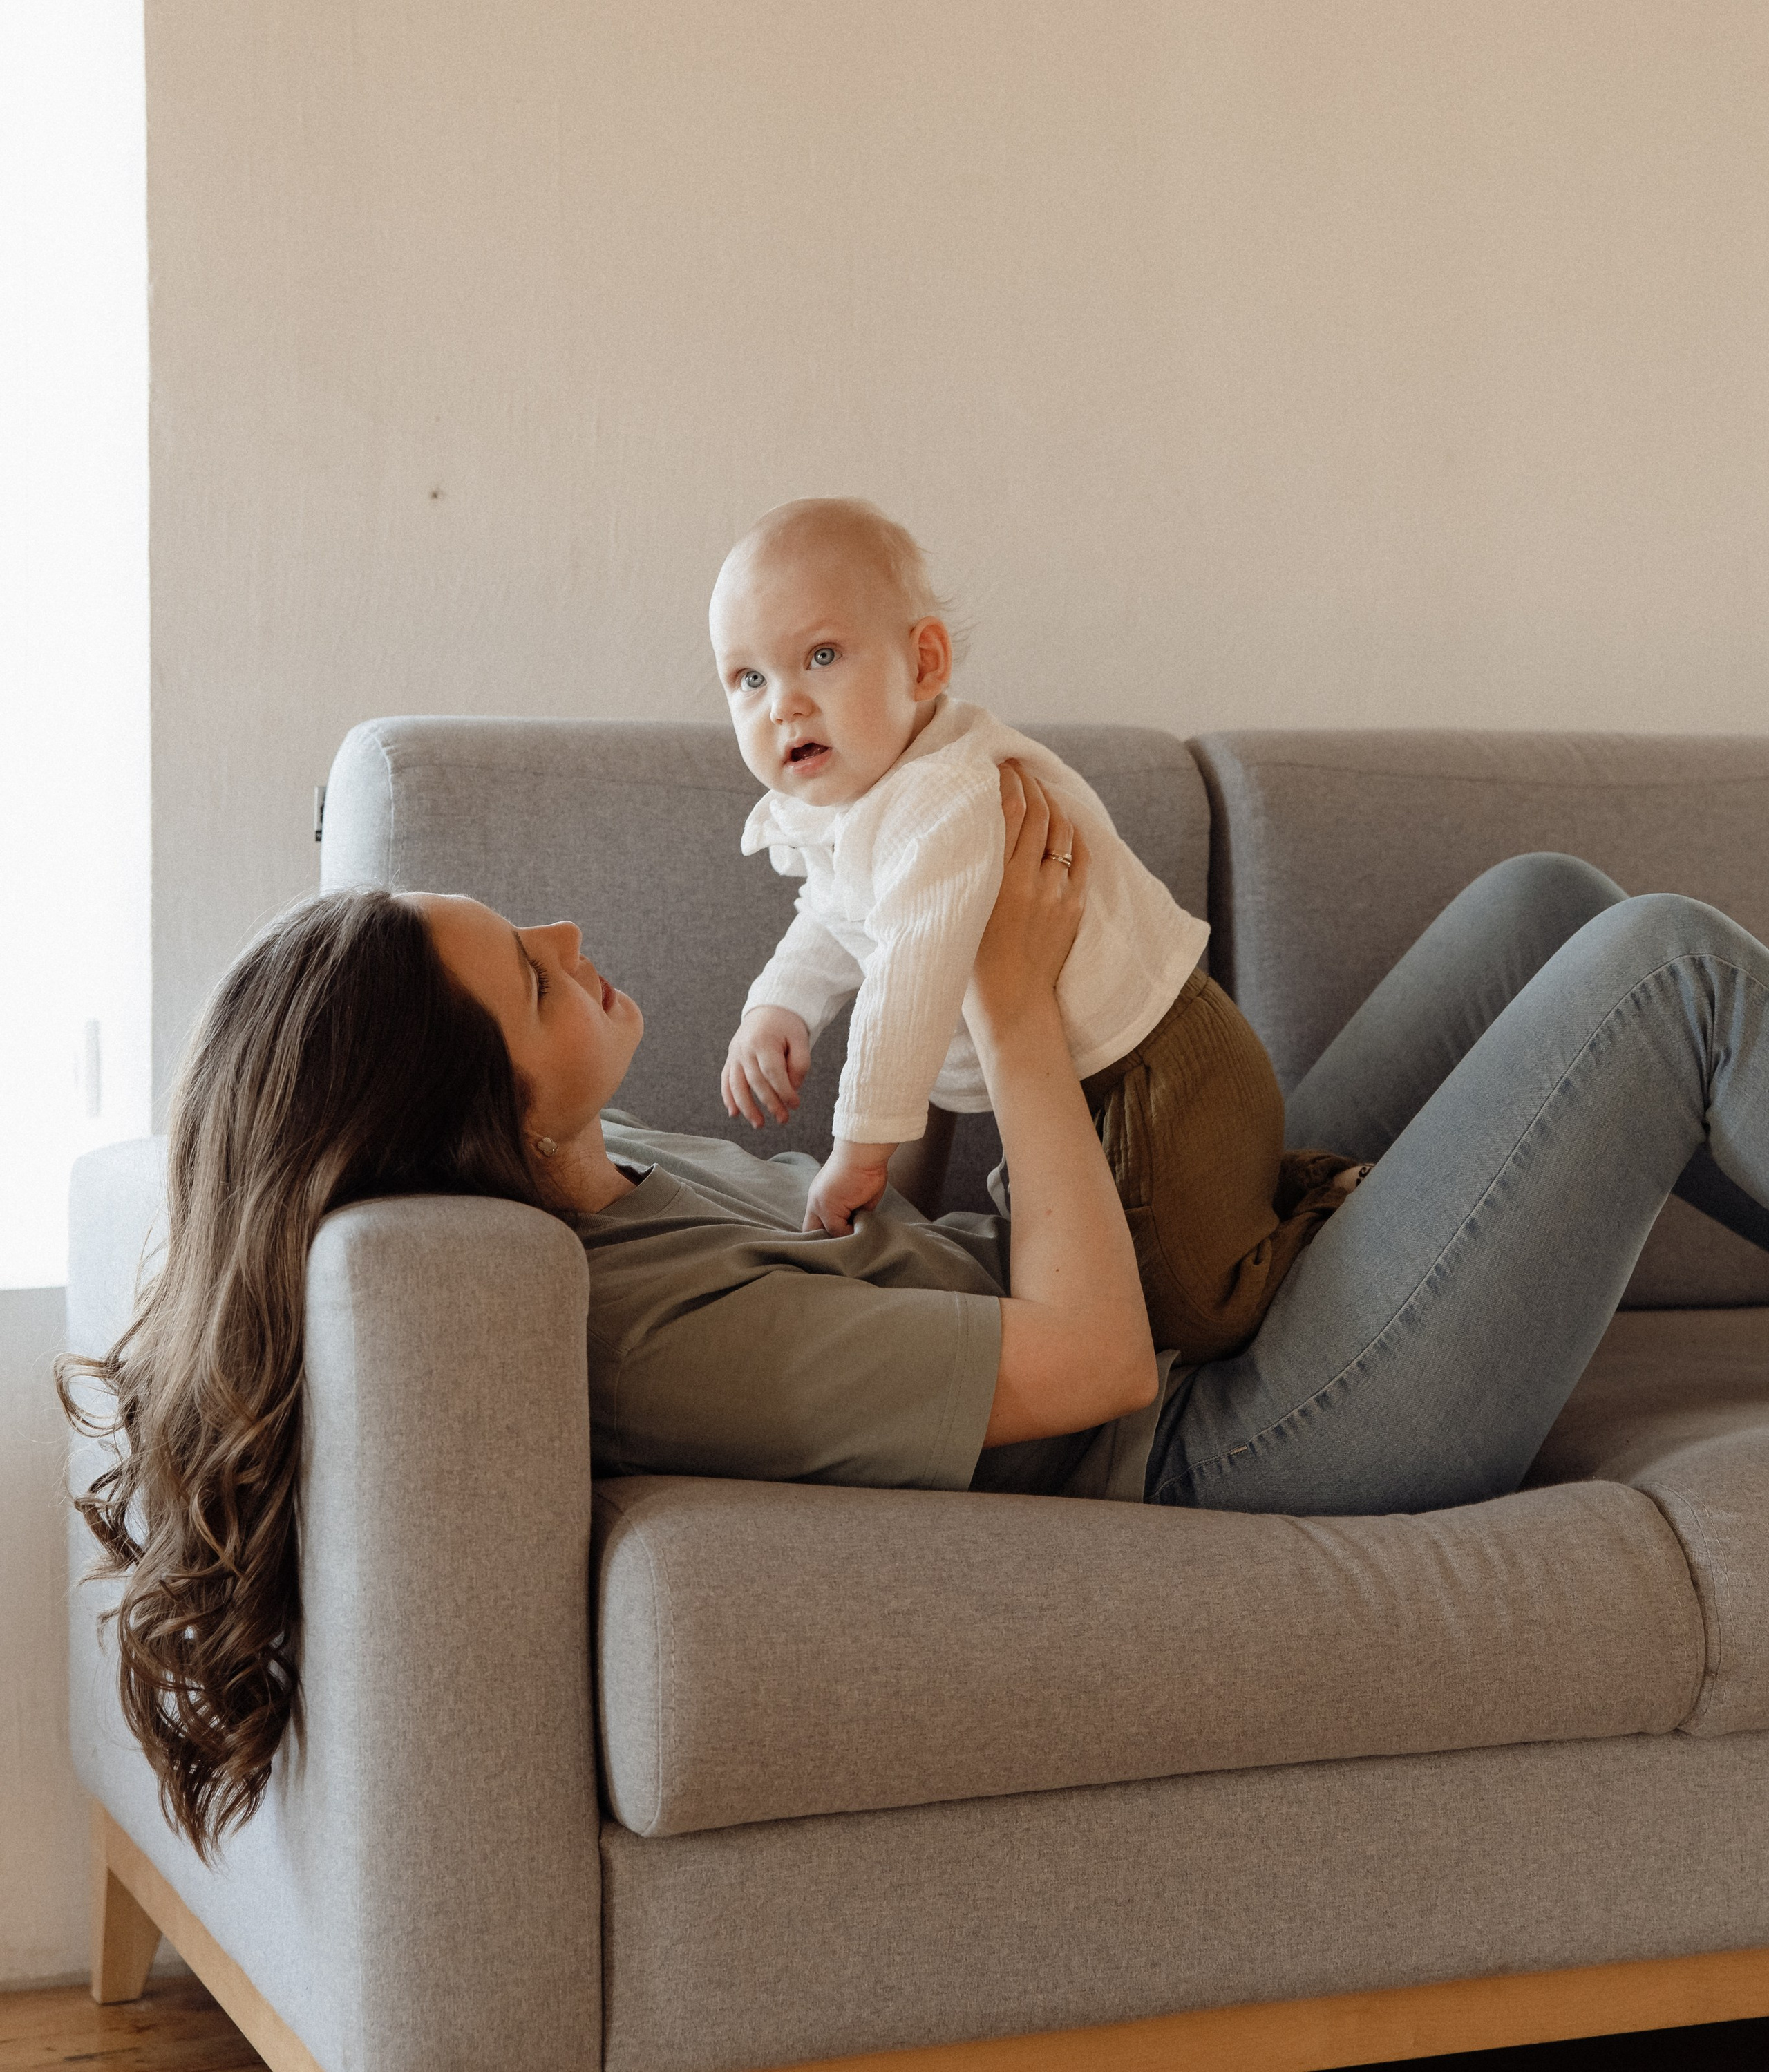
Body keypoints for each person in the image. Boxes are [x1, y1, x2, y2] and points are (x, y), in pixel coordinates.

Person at [64, 763, 1769, 1861]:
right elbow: (1089, 1365)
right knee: (1671, 968)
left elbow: (884, 1220)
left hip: (1192, 1298)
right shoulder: (645, 1329)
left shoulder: (607, 1158)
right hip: (1239, 1437)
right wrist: (1014, 1012)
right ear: (478, 1123)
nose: (565, 926)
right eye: (524, 973)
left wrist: (936, 970)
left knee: (1543, 900)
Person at [710, 496, 1362, 1356]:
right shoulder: (864, 802)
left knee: (1200, 1314)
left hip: (1158, 1066)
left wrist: (858, 1152)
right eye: (749, 679)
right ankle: (1261, 1192)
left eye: (820, 656)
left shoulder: (943, 795)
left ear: (924, 662)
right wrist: (779, 1009)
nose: (783, 705)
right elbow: (834, 915)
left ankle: (1342, 1209)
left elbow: (908, 978)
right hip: (1085, 1088)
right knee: (1112, 1266)